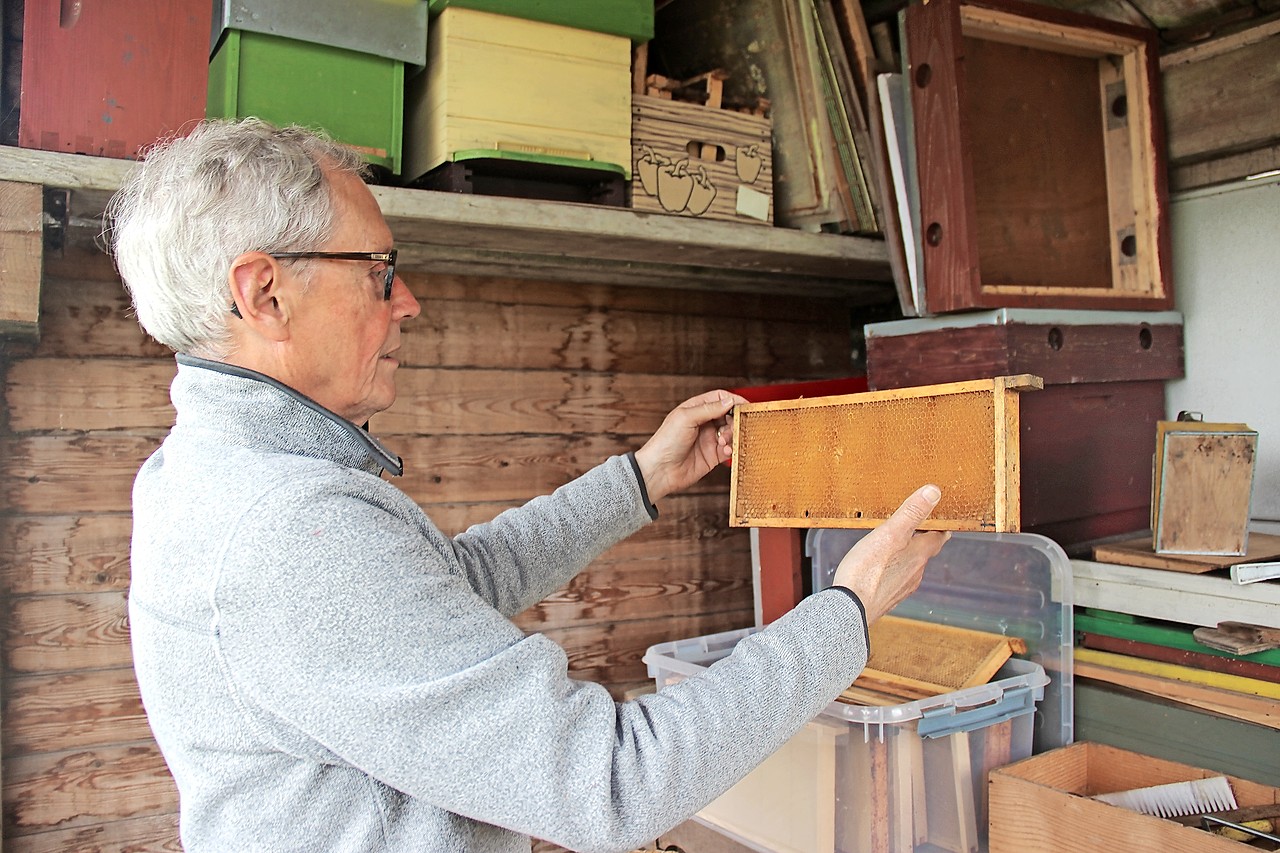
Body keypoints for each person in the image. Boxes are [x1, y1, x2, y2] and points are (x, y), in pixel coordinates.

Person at [107, 118, 949, 853]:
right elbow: (614, 782)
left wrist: (640, 479)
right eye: (377, 269)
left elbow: (440, 593)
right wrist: (847, 611)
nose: (408, 301)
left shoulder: (203, 470)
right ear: (265, 293)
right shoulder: (286, 528)